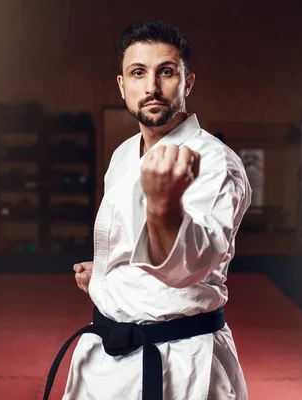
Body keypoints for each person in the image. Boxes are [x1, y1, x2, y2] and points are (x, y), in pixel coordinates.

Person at [44, 20, 251, 400]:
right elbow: (131, 240)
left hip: (179, 362)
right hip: (107, 352)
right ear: (123, 86)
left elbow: (191, 266)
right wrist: (109, 278)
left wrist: (163, 204)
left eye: (166, 72)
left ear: (188, 82)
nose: (152, 87)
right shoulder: (124, 153)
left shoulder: (216, 163)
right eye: (138, 73)